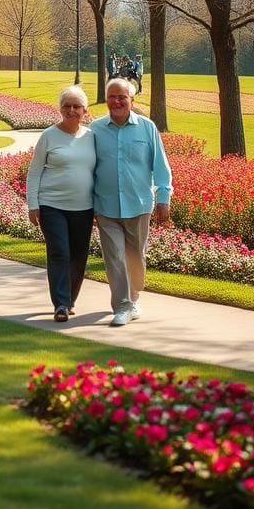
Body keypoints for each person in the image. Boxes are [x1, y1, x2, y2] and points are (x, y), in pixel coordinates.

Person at [92, 78, 173, 327]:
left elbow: (160, 166)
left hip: (138, 205)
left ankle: (133, 297)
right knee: (115, 257)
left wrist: (163, 198)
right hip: (105, 206)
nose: (116, 101)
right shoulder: (95, 129)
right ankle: (123, 306)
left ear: (131, 100)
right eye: (112, 97)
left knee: (136, 258)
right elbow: (87, 167)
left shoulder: (147, 128)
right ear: (106, 99)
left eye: (122, 97)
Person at [26, 86, 96, 323]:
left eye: (77, 106)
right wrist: (33, 204)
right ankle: (61, 304)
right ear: (60, 109)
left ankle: (70, 299)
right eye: (67, 106)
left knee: (78, 255)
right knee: (59, 253)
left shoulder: (91, 137)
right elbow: (34, 172)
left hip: (84, 207)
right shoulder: (48, 136)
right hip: (51, 205)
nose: (71, 110)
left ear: (85, 110)